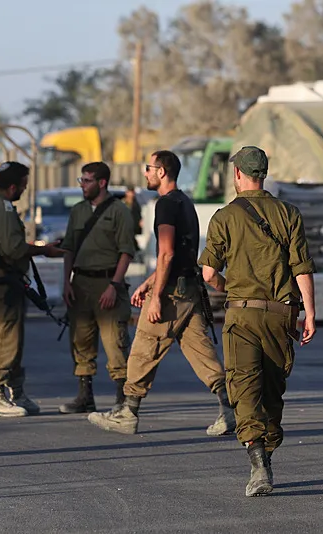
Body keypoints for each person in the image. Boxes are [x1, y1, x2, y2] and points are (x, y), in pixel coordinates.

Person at [87, 150, 234, 436]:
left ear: (162, 171)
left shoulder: (165, 205)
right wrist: (148, 282)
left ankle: (127, 412)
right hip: (188, 290)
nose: (145, 173)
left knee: (143, 347)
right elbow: (181, 255)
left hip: (171, 295)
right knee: (200, 351)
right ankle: (230, 409)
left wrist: (155, 296)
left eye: (148, 168)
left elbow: (166, 253)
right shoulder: (185, 202)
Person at [199, 145, 317, 497]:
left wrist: (228, 286)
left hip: (242, 314)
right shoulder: (289, 214)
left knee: (244, 387)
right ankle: (267, 448)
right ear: (262, 174)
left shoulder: (224, 217)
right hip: (282, 315)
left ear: (237, 174)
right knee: (272, 389)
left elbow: (208, 274)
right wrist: (310, 312)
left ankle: (257, 462)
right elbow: (302, 269)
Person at [0, 162, 64, 416]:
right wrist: (45, 250)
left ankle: (16, 390)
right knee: (3, 336)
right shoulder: (1, 208)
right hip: (0, 279)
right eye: (24, 185)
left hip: (4, 278)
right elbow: (14, 249)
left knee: (13, 336)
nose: (24, 190)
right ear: (13, 186)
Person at [59, 162, 136, 414]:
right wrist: (67, 282)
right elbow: (69, 248)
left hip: (107, 283)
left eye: (87, 180)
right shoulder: (78, 211)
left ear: (102, 183)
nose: (82, 185)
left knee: (115, 342)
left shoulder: (119, 211)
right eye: (81, 180)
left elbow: (126, 252)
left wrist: (114, 285)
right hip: (80, 284)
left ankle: (122, 400)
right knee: (81, 342)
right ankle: (85, 396)